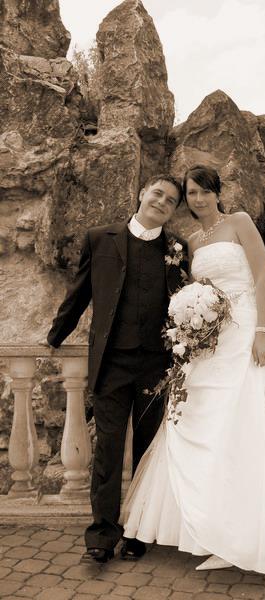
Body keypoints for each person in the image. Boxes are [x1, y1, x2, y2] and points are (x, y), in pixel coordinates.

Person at [120, 164, 265, 574]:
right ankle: (211, 528)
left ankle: (252, 533)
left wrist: (262, 331)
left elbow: (261, 277)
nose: (199, 199)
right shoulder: (192, 241)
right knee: (202, 423)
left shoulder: (240, 222)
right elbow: (197, 292)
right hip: (209, 344)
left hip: (245, 334)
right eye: (192, 193)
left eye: (205, 191)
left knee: (249, 424)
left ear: (217, 192)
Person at [47, 174, 186, 564]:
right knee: (108, 449)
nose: (162, 202)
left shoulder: (177, 248)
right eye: (157, 193)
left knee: (146, 450)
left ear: (173, 211)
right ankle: (102, 535)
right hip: (111, 363)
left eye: (171, 200)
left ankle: (139, 531)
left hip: (155, 365)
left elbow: (181, 303)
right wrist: (56, 335)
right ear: (142, 193)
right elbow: (80, 293)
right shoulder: (100, 238)